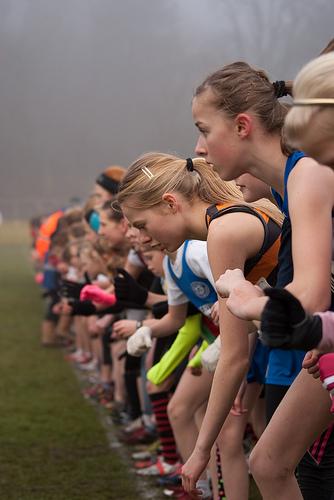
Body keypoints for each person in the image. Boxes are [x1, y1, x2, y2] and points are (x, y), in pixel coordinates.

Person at [190, 57, 334, 499]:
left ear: (242, 126)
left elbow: (305, 298)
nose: (199, 149)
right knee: (268, 462)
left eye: (203, 129)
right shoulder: (292, 182)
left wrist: (243, 292)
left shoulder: (308, 172)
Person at [117, 152, 281, 499]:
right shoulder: (221, 225)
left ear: (170, 203)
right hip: (308, 345)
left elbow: (234, 354)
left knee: (281, 464)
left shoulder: (221, 232)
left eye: (142, 225)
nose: (142, 239)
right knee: (270, 462)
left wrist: (200, 450)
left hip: (312, 348)